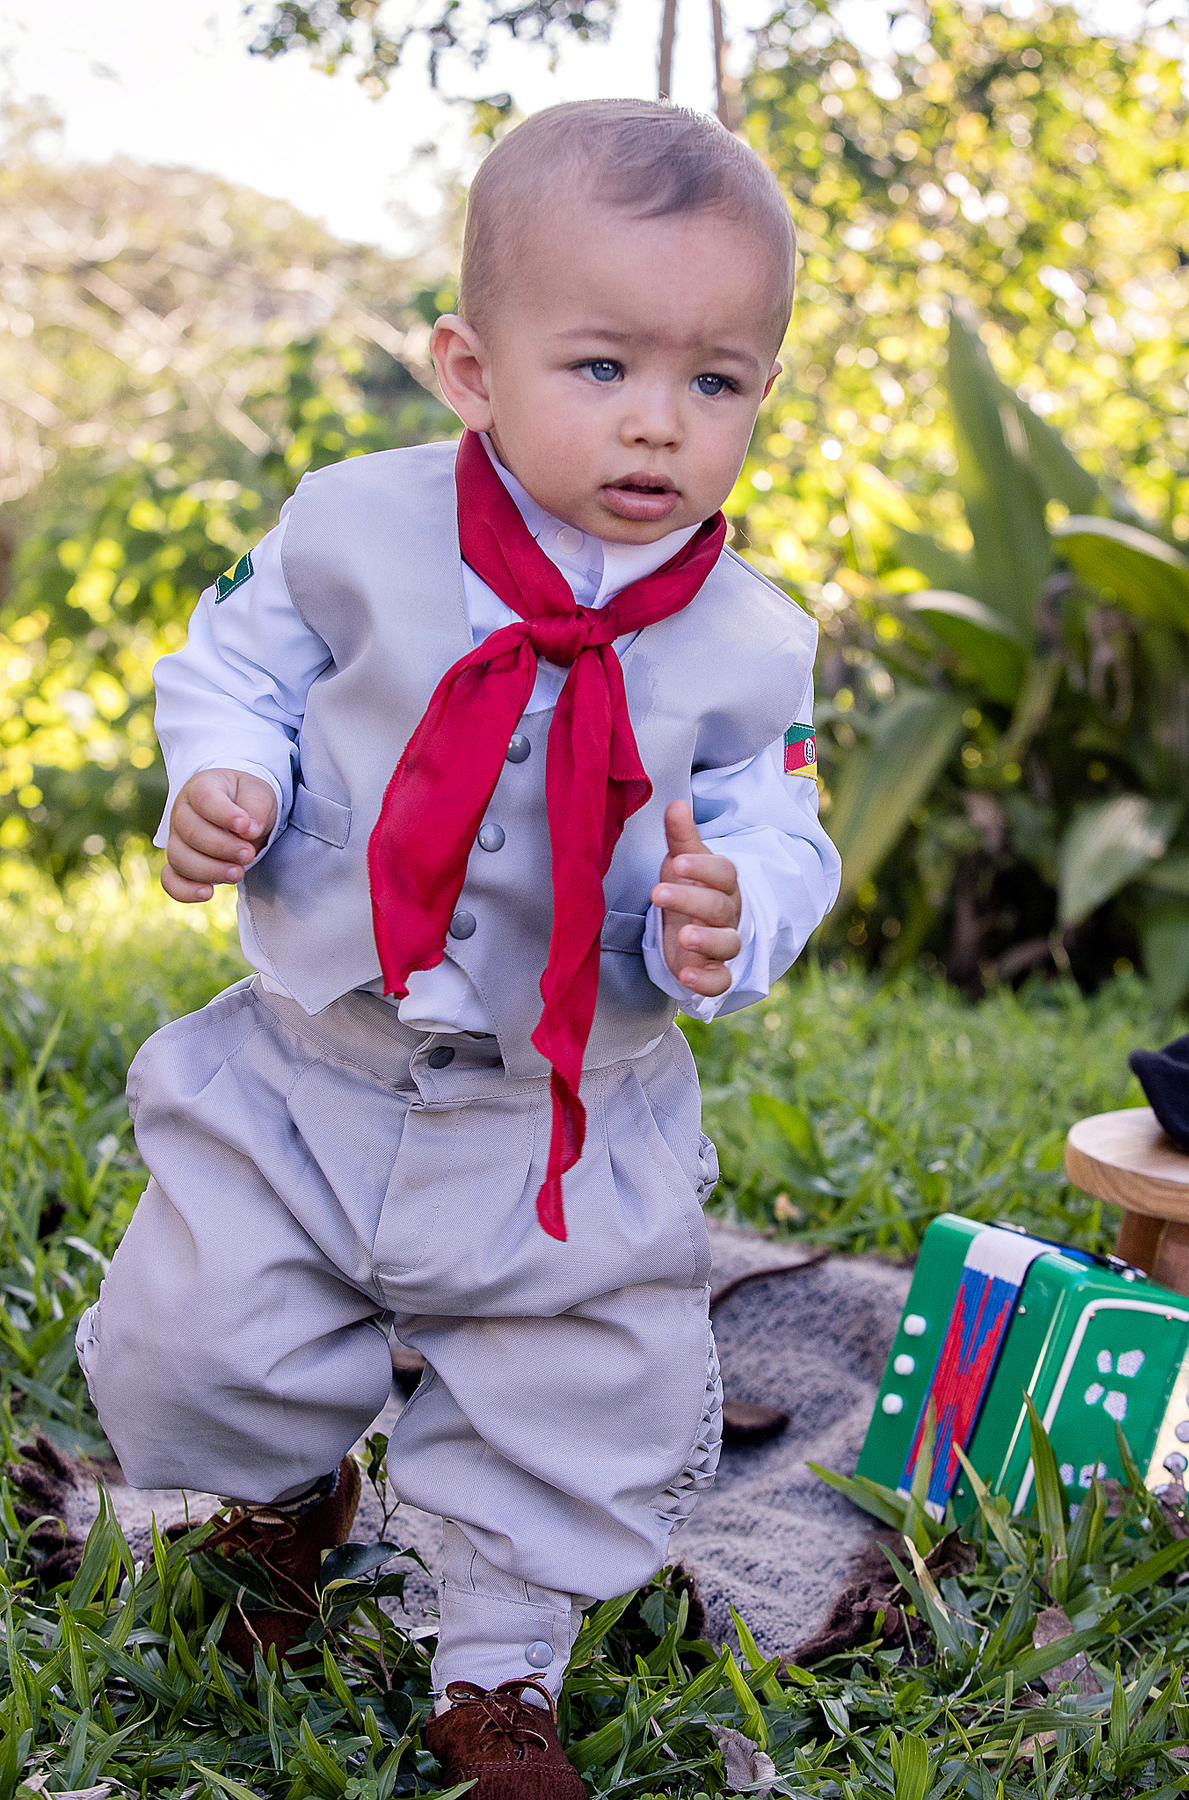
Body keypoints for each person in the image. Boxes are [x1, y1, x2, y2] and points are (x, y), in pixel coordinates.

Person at [76, 98, 841, 1796]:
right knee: (203, 1333)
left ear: (762, 396)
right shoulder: (352, 526)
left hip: (558, 1115)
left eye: (714, 381)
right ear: (471, 367)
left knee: (570, 1390)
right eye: (600, 368)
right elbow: (238, 667)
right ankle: (281, 1501)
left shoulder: (752, 640)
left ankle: (498, 1668)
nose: (658, 425)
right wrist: (228, 776)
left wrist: (744, 906)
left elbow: (782, 822)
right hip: (316, 1060)